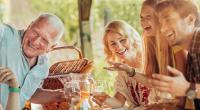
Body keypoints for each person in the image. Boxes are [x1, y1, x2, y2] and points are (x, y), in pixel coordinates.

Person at [0, 13, 65, 109]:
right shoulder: (5, 35)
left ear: (51, 47)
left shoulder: (42, 66)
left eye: (44, 40)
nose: (35, 42)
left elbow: (28, 93)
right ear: (30, 26)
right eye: (35, 32)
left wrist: (60, 95)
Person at [149, 0, 200, 109]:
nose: (162, 29)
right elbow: (194, 94)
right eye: (161, 23)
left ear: (190, 20)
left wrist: (187, 88)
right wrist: (169, 106)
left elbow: (190, 90)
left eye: (168, 19)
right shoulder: (192, 54)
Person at [95, 20, 151, 109]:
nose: (119, 46)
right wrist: (102, 97)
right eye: (113, 43)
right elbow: (119, 102)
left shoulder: (150, 59)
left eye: (122, 40)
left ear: (132, 38)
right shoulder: (122, 70)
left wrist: (130, 71)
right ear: (109, 48)